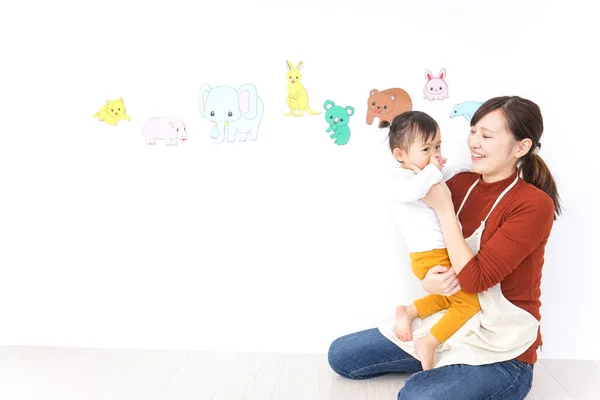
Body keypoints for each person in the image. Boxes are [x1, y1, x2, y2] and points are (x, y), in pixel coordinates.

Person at [328, 96, 561, 399]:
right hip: (454, 321)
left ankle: (456, 367)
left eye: (487, 136)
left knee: (416, 396)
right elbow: (426, 238)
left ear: (521, 147)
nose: (474, 142)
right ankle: (443, 355)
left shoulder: (532, 204)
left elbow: (475, 280)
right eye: (473, 131)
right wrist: (427, 280)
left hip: (504, 348)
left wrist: (445, 210)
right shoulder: (459, 181)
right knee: (343, 355)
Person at [388, 111, 478, 371]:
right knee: (469, 303)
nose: (434, 154)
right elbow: (414, 192)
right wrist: (431, 170)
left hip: (436, 253)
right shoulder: (402, 179)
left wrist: (470, 167)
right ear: (400, 155)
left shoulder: (426, 172)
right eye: (425, 148)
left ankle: (409, 310)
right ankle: (429, 342)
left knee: (452, 298)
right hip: (430, 255)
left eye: (437, 146)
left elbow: (447, 170)